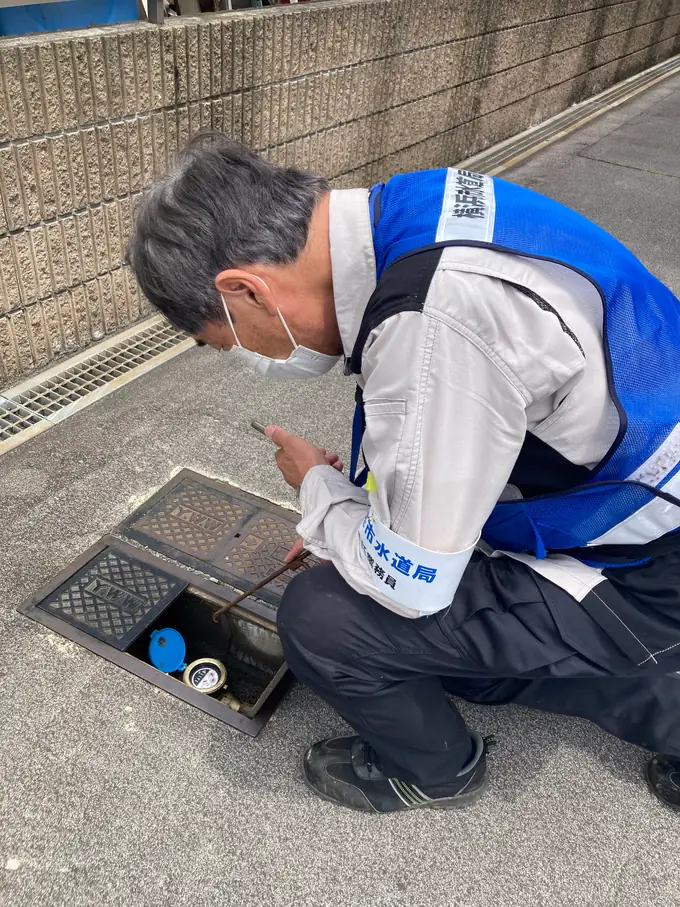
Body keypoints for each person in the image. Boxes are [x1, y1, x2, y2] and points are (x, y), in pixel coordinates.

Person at [127, 132, 680, 814]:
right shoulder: (411, 208)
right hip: (637, 498)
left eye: (226, 342)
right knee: (437, 645)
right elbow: (455, 433)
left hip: (646, 567)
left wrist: (318, 493)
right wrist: (356, 510)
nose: (247, 358)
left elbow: (412, 581)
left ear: (245, 289)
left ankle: (436, 770)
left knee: (327, 617)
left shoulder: (434, 322)